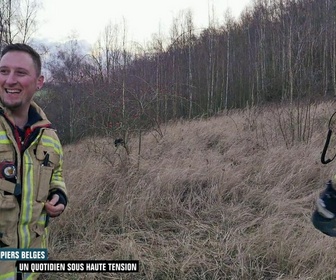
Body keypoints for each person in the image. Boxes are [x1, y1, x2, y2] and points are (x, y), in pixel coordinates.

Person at [0, 43, 67, 279]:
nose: (9, 80)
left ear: (39, 82)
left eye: (20, 72)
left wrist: (58, 195)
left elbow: (55, 174)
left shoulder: (49, 136)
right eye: (3, 71)